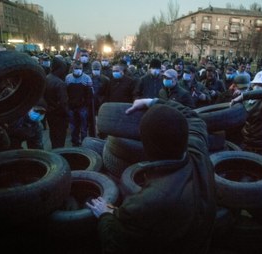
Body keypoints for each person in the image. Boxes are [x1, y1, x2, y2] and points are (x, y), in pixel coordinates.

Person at [86, 98, 216, 254]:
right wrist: (152, 102)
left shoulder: (148, 201)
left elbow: (116, 241)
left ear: (147, 146)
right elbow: (192, 117)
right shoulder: (199, 153)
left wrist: (105, 215)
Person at [230, 70, 262, 160]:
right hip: (247, 143)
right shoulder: (250, 100)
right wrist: (239, 96)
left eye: (261, 85)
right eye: (255, 84)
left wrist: (243, 96)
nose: (257, 87)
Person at [65, 60, 93, 146]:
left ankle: (84, 142)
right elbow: (65, 93)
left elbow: (90, 94)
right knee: (73, 126)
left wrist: (86, 105)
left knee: (84, 126)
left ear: (82, 68)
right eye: (76, 68)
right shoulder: (68, 78)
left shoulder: (87, 78)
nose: (78, 70)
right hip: (71, 107)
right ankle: (75, 141)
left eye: (80, 68)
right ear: (72, 68)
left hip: (83, 107)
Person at [44, 57, 69, 148]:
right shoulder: (60, 83)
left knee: (53, 135)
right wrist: (67, 116)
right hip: (59, 116)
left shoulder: (47, 78)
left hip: (50, 114)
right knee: (60, 139)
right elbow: (63, 104)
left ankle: (54, 151)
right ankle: (59, 156)